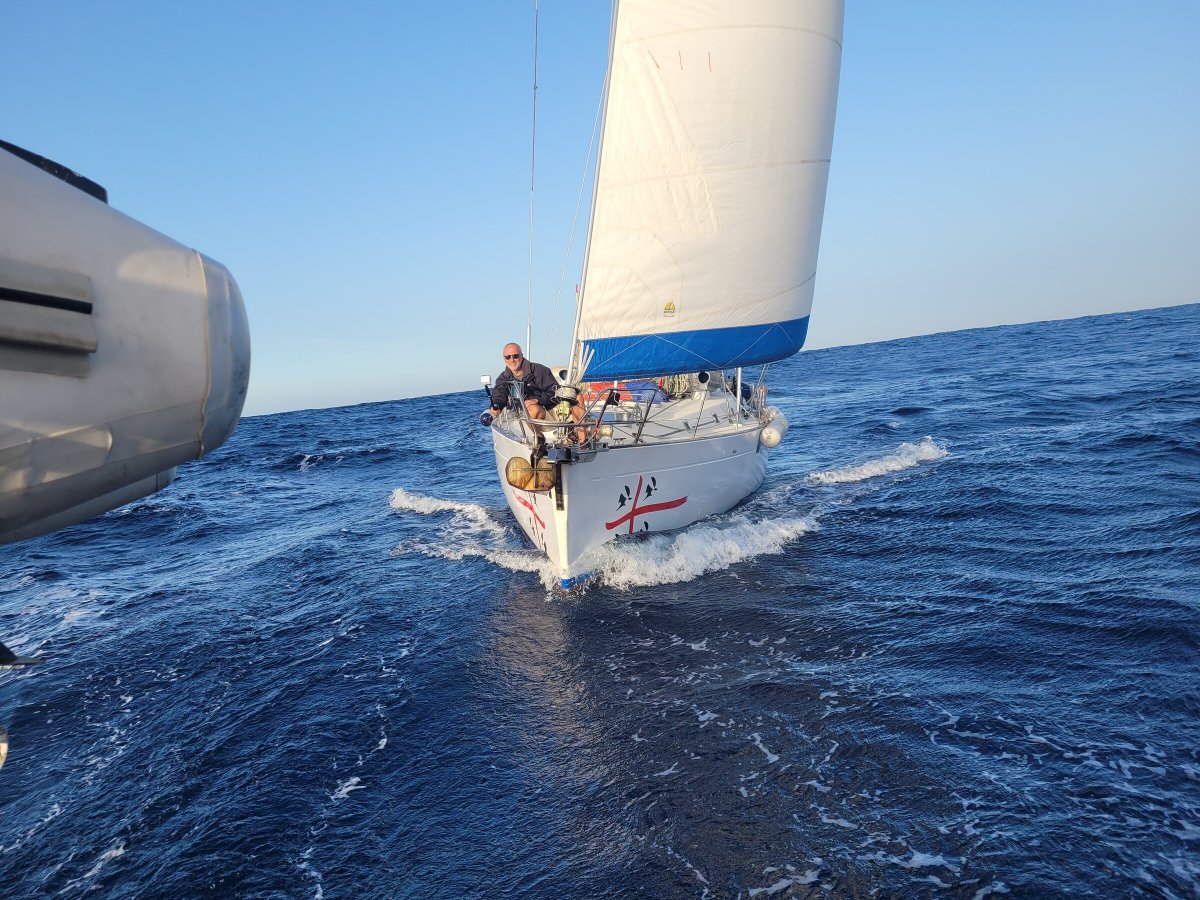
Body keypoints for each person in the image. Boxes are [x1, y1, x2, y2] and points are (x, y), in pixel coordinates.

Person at [486, 343, 586, 440]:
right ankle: (539, 439)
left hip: (553, 409)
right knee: (531, 409)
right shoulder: (503, 378)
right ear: (504, 359)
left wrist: (537, 400)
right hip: (535, 415)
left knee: (578, 397)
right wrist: (496, 405)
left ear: (521, 356)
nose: (512, 360)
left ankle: (582, 440)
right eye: (508, 357)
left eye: (515, 356)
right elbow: (500, 394)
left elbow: (554, 390)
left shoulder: (539, 370)